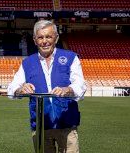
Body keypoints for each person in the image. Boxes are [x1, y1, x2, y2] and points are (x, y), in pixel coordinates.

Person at [7, 20, 86, 153]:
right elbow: (11, 89)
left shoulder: (70, 57)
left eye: (48, 36)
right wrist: (20, 89)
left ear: (56, 38)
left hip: (67, 126)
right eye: (40, 37)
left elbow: (80, 85)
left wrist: (68, 89)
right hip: (40, 127)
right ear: (34, 40)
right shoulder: (27, 63)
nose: (45, 41)